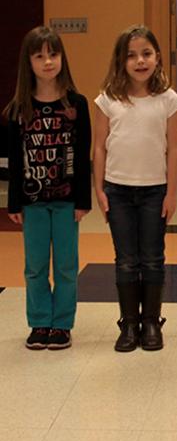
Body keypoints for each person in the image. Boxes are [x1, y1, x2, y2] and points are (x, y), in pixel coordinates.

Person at [94, 25, 177, 353]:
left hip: (154, 192)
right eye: (131, 55)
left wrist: (172, 193)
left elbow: (173, 150)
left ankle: (151, 322)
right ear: (121, 61)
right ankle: (129, 322)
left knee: (153, 258)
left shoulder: (169, 100)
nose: (140, 61)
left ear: (157, 57)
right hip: (117, 191)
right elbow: (99, 148)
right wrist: (99, 189)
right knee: (126, 259)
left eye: (146, 53)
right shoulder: (108, 99)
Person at [4, 26, 91, 351]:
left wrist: (82, 200)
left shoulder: (76, 105)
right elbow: (14, 161)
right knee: (35, 265)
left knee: (67, 265)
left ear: (61, 58)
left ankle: (62, 324)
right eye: (39, 56)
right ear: (28, 62)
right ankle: (40, 320)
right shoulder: (19, 109)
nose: (47, 62)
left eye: (52, 54)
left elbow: (82, 157)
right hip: (33, 201)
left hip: (67, 200)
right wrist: (15, 203)